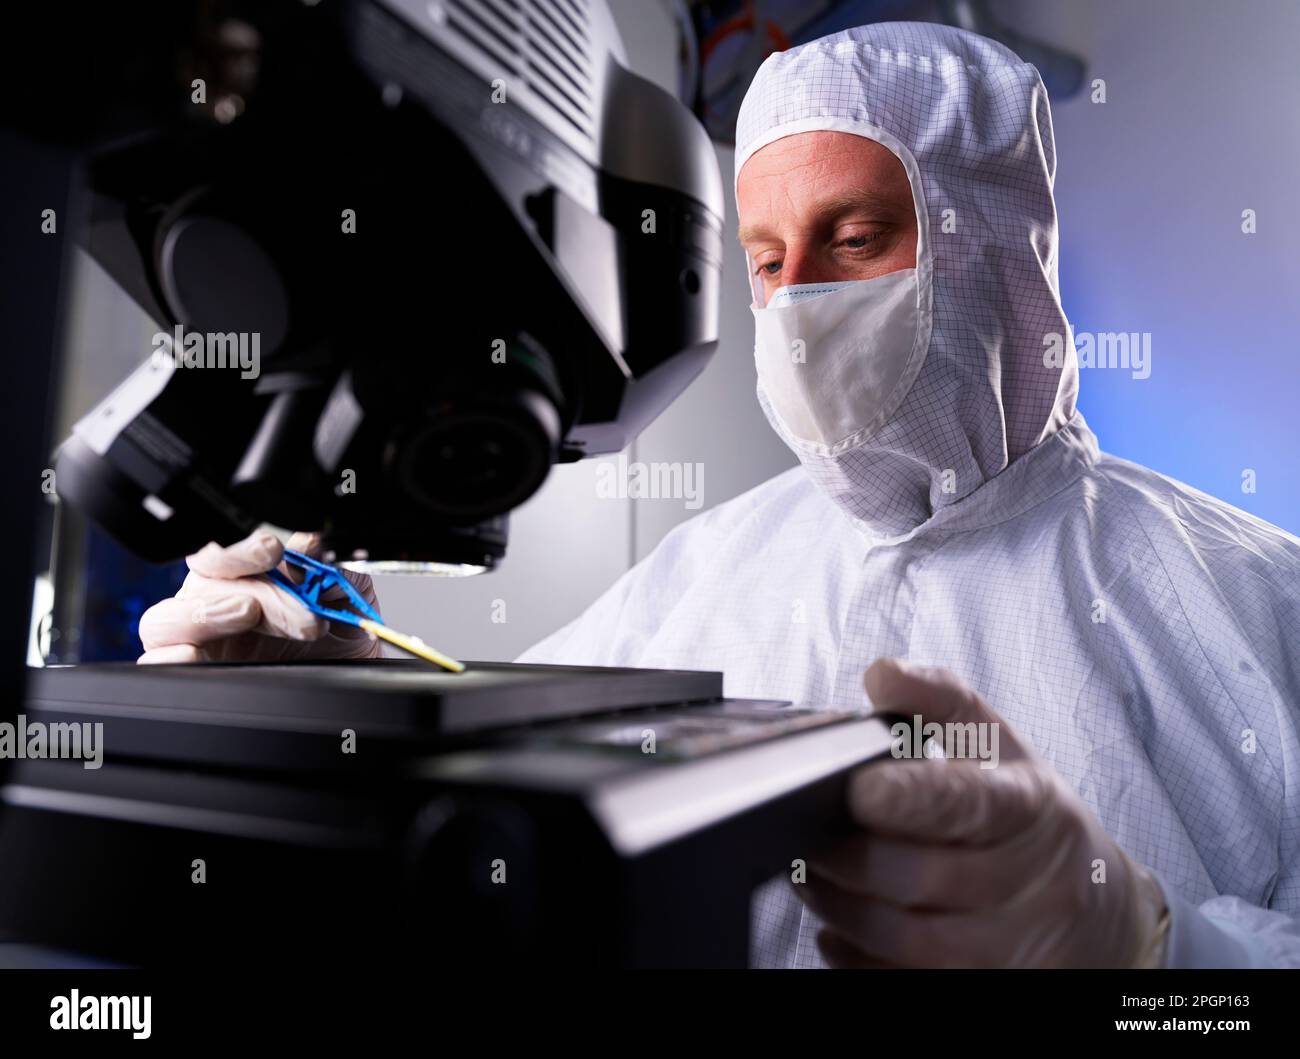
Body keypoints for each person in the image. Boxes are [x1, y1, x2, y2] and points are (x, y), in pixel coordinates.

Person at [136, 22, 1300, 968]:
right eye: (765, 260)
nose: (797, 301)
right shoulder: (696, 576)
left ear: (992, 250)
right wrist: (328, 691)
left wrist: (1146, 954)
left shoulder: (1255, 602)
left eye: (852, 239)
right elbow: (499, 789)